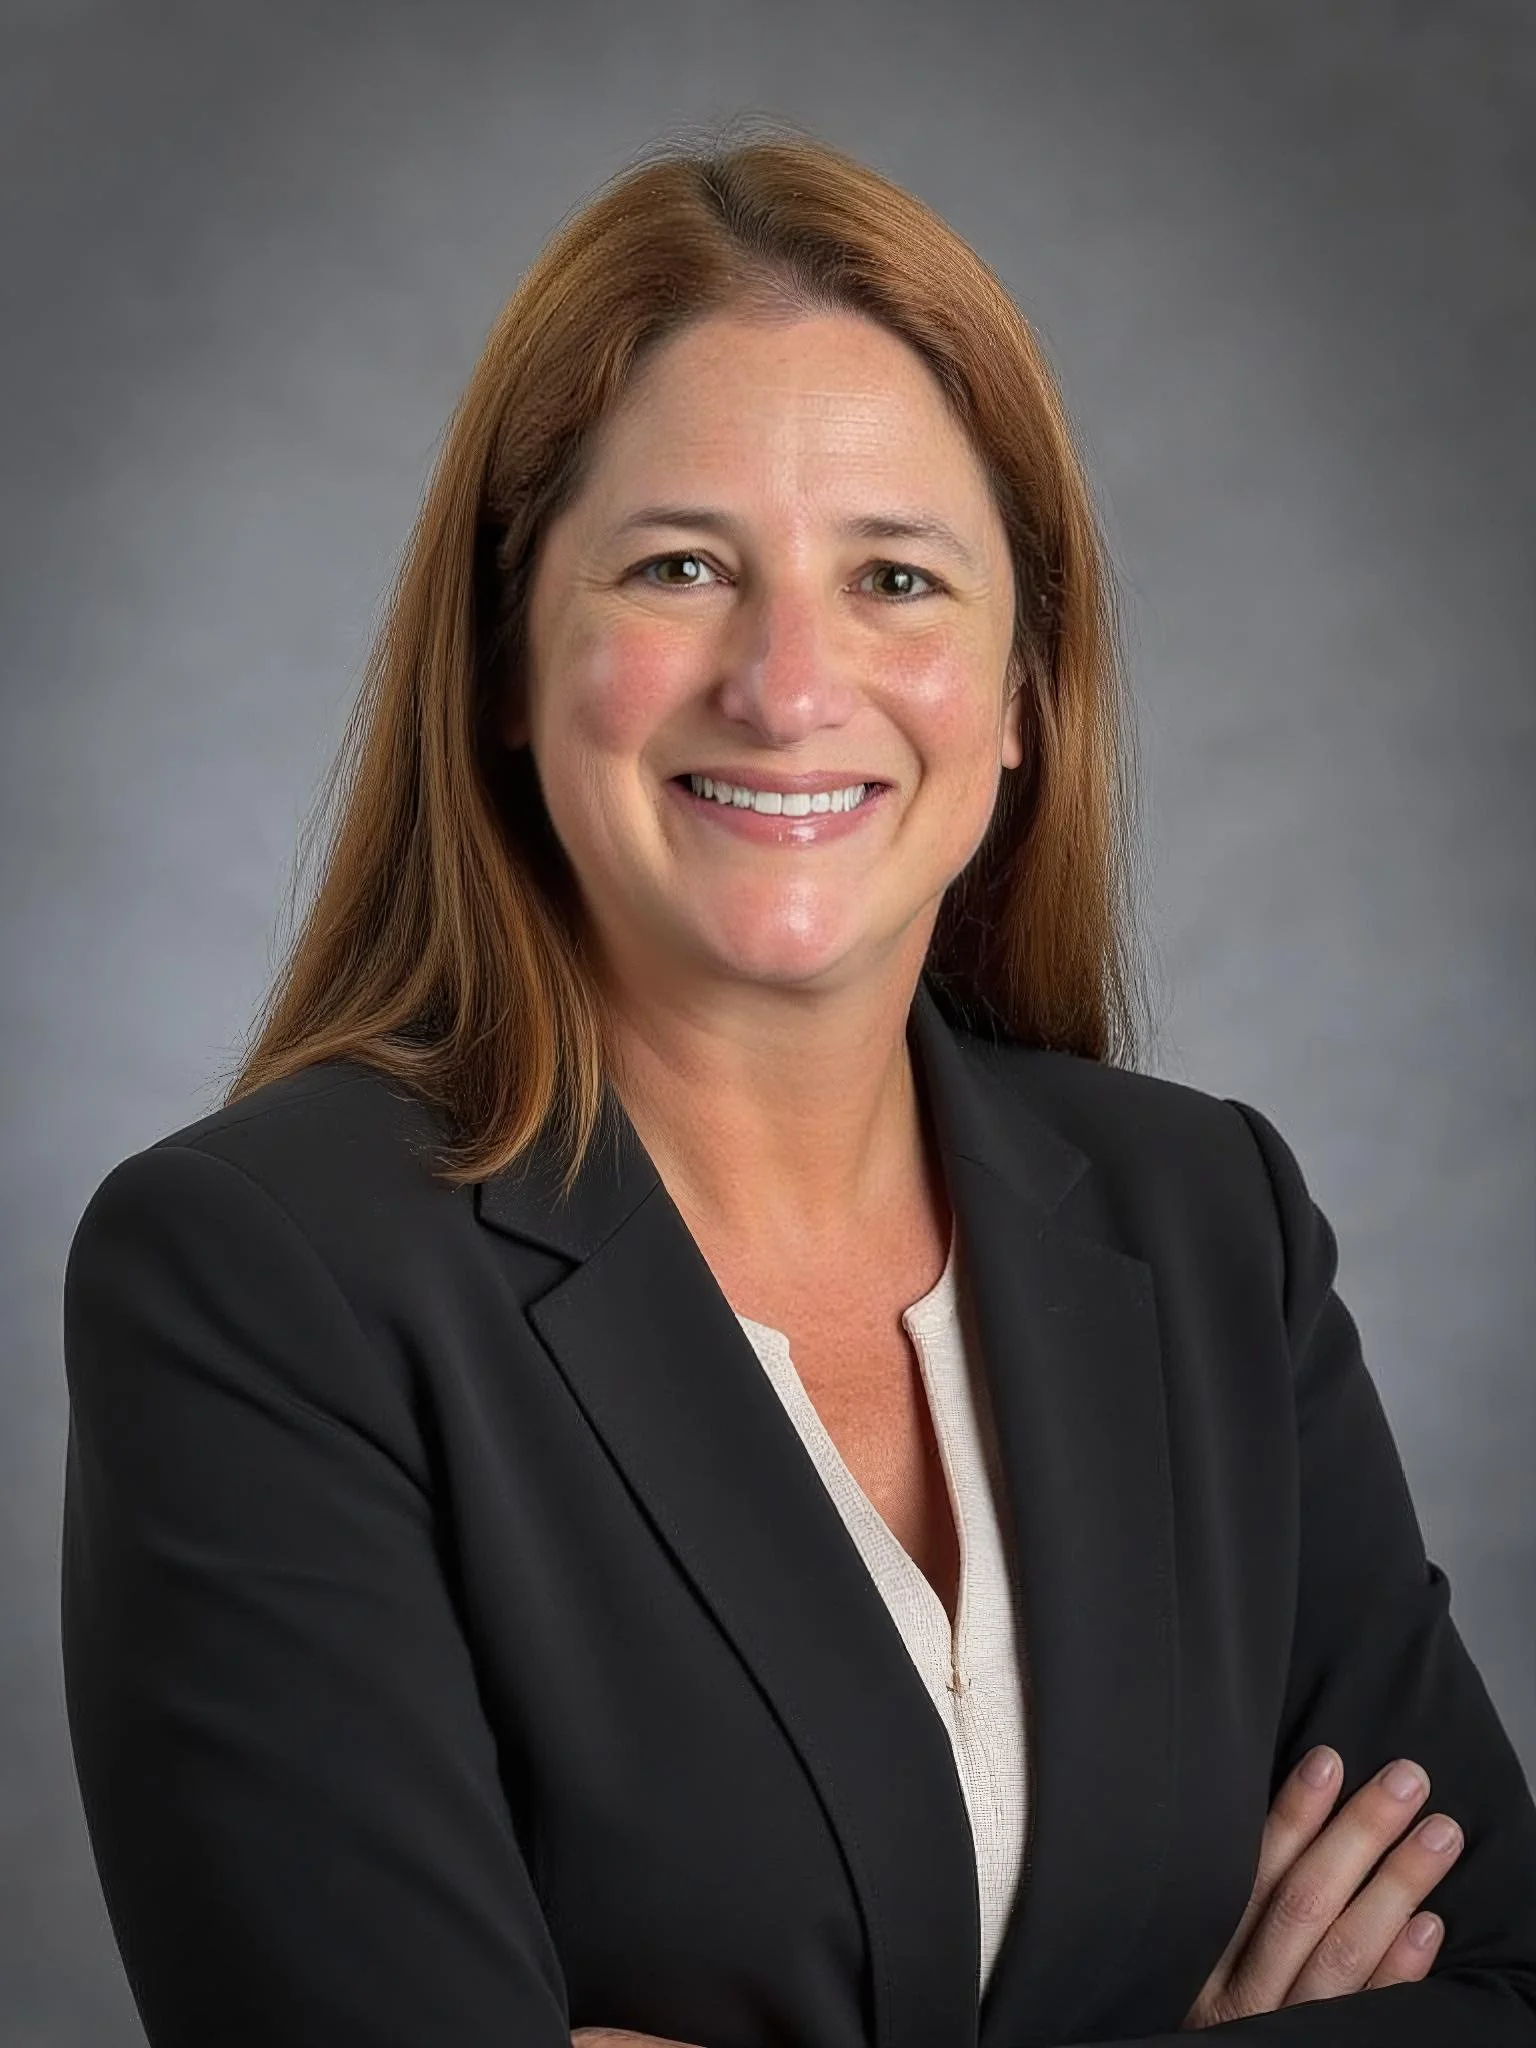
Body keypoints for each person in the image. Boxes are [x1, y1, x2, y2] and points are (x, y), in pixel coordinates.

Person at [61, 122, 1536, 2048]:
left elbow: (1501, 1985)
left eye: (898, 579)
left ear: (1022, 692)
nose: (784, 683)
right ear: (512, 660)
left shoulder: (1206, 1229)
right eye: (679, 565)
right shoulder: (265, 1279)